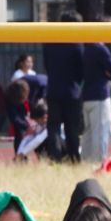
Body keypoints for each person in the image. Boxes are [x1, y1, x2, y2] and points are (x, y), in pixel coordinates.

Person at [43, 30, 86, 165]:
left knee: (53, 127)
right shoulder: (77, 45)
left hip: (54, 90)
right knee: (72, 128)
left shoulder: (50, 44)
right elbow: (81, 69)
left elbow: (47, 66)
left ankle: (55, 157)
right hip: (72, 91)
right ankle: (74, 158)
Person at [79, 38, 111, 169]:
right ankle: (100, 163)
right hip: (100, 96)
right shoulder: (100, 49)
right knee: (101, 131)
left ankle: (85, 161)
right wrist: (107, 74)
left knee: (88, 132)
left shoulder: (86, 49)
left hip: (87, 95)